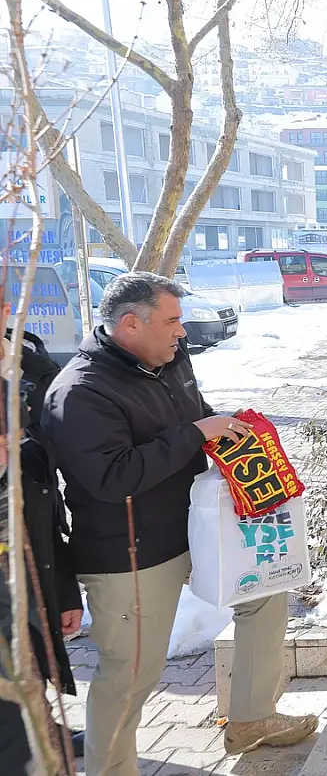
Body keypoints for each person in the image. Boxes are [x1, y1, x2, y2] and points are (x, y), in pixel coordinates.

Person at [43, 272, 317, 776]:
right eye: (172, 321)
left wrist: (229, 434)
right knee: (130, 676)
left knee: (266, 592)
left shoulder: (167, 359)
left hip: (194, 529)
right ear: (131, 324)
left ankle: (252, 718)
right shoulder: (81, 391)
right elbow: (113, 476)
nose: (182, 331)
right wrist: (196, 433)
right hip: (131, 553)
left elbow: (192, 415)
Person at [0, 310, 83, 773]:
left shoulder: (27, 360)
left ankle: (46, 735)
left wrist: (64, 593)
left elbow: (49, 521)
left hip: (23, 582)